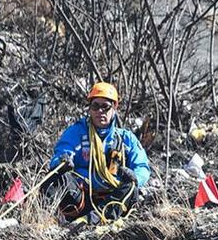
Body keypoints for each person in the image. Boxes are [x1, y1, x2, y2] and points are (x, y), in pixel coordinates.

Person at [47, 82, 151, 221]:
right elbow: (59, 155)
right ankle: (53, 219)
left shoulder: (126, 139)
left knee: (131, 186)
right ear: (90, 109)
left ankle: (94, 220)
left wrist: (135, 176)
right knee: (55, 178)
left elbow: (142, 167)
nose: (100, 111)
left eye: (105, 107)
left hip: (113, 199)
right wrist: (62, 161)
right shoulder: (76, 132)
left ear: (114, 108)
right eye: (95, 106)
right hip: (82, 196)